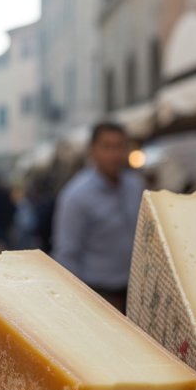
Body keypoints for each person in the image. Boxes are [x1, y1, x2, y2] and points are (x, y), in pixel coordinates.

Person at [52, 122, 145, 311]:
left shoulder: (135, 186)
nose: (114, 154)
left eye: (119, 146)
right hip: (98, 295)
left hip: (135, 293)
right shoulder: (76, 196)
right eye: (107, 147)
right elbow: (67, 254)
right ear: (93, 150)